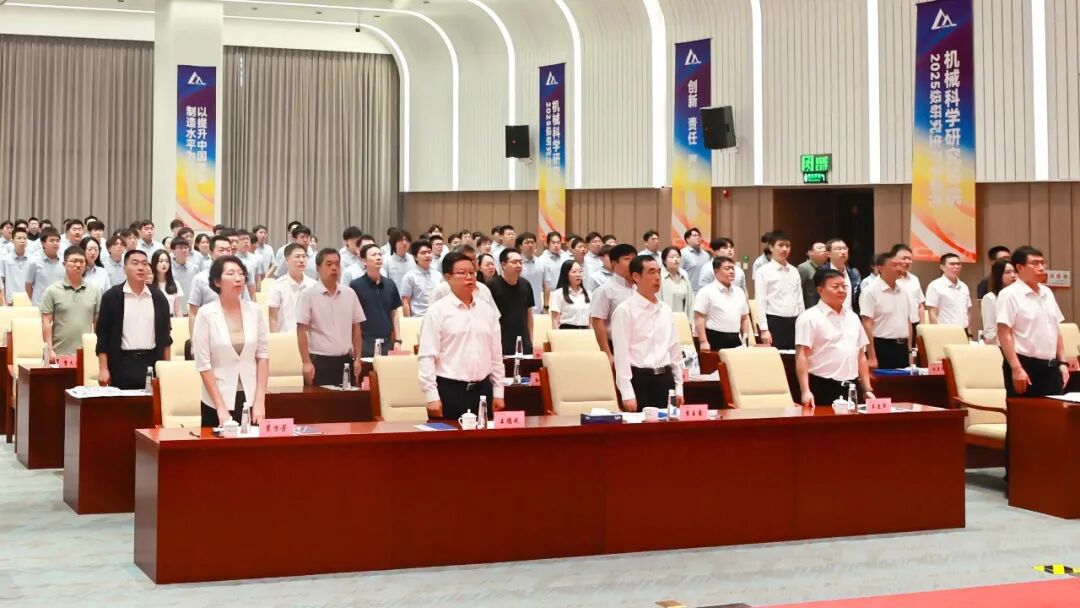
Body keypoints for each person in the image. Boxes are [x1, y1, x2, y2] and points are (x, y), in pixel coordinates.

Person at [418, 252, 506, 421]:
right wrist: (431, 395)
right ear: (448, 277)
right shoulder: (437, 311)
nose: (469, 277)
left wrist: (498, 392)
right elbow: (427, 356)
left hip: (483, 390)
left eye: (472, 273)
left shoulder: (487, 310)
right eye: (462, 273)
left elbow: (496, 355)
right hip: (450, 390)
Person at [192, 255, 270, 427]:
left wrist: (260, 401)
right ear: (217, 282)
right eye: (231, 273)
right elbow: (203, 365)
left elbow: (263, 356)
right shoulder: (206, 313)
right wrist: (220, 407)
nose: (238, 278)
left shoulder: (255, 311)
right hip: (217, 399)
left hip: (250, 397)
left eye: (241, 273)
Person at [611, 255, 685, 412]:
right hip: (640, 380)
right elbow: (621, 355)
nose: (657, 277)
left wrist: (679, 386)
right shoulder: (625, 310)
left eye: (659, 272)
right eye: (651, 272)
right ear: (636, 276)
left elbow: (674, 349)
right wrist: (627, 392)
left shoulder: (665, 310)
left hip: (665, 379)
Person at [996, 246, 1069, 397]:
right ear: (1019, 267)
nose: (1041, 268)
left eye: (1042, 263)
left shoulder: (1047, 292)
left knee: (1055, 411)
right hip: (1025, 366)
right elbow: (1004, 333)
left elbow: (1055, 329)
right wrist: (1016, 368)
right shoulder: (1009, 295)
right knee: (1026, 411)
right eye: (1035, 264)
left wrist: (1062, 363)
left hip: (1051, 367)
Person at [795, 269, 875, 407]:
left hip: (852, 387)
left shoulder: (853, 317)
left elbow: (861, 355)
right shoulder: (809, 318)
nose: (841, 290)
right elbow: (802, 355)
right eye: (835, 287)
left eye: (844, 286)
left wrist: (867, 388)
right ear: (820, 290)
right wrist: (805, 390)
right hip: (823, 386)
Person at [95, 250, 172, 389]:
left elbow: (166, 337)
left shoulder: (158, 297)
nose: (141, 267)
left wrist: (167, 369)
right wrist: (103, 368)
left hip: (152, 363)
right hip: (121, 364)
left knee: (152, 403)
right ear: (124, 269)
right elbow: (103, 337)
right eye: (135, 263)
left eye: (144, 263)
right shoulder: (111, 297)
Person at [296, 249, 365, 386]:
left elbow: (356, 327)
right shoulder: (308, 294)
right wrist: (306, 362)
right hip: (319, 362)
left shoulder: (350, 293)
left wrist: (358, 358)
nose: (334, 268)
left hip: (346, 360)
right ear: (318, 268)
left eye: (337, 264)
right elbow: (301, 330)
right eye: (329, 264)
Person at [40, 246, 100, 361]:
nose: (78, 265)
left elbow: (97, 322)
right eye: (74, 261)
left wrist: (99, 350)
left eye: (81, 261)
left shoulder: (95, 291)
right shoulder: (52, 291)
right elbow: (46, 322)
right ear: (64, 264)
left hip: (86, 354)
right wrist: (49, 350)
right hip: (59, 354)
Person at [858, 252, 912, 370]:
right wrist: (872, 356)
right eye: (894, 265)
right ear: (880, 268)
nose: (899, 268)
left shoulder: (904, 291)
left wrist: (909, 351)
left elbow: (907, 321)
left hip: (902, 348)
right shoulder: (870, 291)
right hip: (881, 347)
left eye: (900, 265)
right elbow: (867, 324)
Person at [188, 235, 249, 335]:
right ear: (211, 252)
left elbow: (246, 305)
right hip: (209, 330)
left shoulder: (239, 277)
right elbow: (193, 312)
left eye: (228, 250)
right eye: (221, 250)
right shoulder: (200, 279)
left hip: (236, 328)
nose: (225, 253)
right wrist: (194, 339)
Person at [349, 244, 402, 357]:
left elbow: (394, 313)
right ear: (364, 261)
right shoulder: (355, 285)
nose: (378, 257)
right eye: (374, 255)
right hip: (364, 341)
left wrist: (398, 340)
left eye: (380, 254)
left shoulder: (390, 284)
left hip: (387, 341)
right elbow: (351, 317)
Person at [754, 232, 804, 349]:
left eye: (788, 246)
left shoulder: (794, 271)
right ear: (771, 247)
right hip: (774, 321)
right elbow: (760, 301)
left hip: (794, 321)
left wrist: (803, 323)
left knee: (794, 356)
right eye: (781, 245)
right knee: (776, 357)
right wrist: (764, 329)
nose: (784, 249)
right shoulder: (763, 271)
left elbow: (799, 299)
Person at [590, 244, 637, 363]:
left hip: (639, 347)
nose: (633, 263)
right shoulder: (605, 290)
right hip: (616, 346)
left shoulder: (640, 288)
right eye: (627, 259)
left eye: (634, 259)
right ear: (614, 263)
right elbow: (598, 323)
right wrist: (608, 354)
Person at [694, 256, 750, 351]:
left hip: (736, 339)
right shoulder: (706, 291)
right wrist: (703, 341)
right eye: (727, 268)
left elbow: (744, 318)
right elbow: (699, 317)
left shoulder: (739, 292)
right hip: (714, 338)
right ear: (716, 271)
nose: (731, 271)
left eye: (732, 268)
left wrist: (745, 339)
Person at [488, 248, 535, 355]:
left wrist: (531, 340)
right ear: (503, 265)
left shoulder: (526, 284)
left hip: (524, 343)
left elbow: (529, 315)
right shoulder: (492, 286)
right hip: (500, 343)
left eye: (520, 262)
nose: (519, 265)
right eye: (514, 262)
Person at [267, 243, 316, 333]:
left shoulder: (314, 285)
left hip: (309, 337)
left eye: (304, 256)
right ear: (286, 260)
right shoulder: (277, 285)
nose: (301, 260)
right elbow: (273, 318)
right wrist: (275, 338)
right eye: (297, 256)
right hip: (285, 337)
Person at [926, 253, 971, 329]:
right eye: (952, 264)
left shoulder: (964, 286)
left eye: (958, 264)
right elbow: (932, 312)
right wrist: (936, 332)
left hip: (963, 331)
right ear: (942, 267)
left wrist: (969, 332)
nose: (956, 267)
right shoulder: (935, 286)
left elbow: (968, 312)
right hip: (945, 331)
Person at [400, 239, 443, 317]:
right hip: (418, 318)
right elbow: (405, 301)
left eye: (429, 252)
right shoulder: (410, 276)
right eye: (423, 253)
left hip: (436, 317)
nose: (427, 255)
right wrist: (408, 321)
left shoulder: (438, 275)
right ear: (415, 257)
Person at [980, 258, 1016, 345]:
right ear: (998, 275)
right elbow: (989, 331)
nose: (1013, 275)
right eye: (1008, 272)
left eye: (1014, 272)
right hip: (1001, 345)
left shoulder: (1018, 296)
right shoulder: (990, 298)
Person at [25, 227, 65, 306]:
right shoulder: (34, 261)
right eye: (52, 240)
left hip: (60, 305)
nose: (55, 243)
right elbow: (28, 286)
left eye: (57, 241)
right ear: (43, 243)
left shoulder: (64, 261)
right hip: (40, 305)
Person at [822, 238, 861, 312]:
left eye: (844, 248)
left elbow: (857, 299)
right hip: (827, 315)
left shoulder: (853, 273)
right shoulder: (822, 273)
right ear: (828, 254)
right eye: (838, 249)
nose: (843, 252)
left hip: (849, 315)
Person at [659, 246, 694, 328]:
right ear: (664, 260)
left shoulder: (684, 275)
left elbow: (691, 301)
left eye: (678, 257)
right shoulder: (660, 277)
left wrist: (690, 322)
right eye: (672, 257)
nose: (676, 259)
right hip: (666, 322)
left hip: (683, 321)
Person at [891, 243, 925, 327]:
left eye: (909, 259)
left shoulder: (914, 279)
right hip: (895, 326)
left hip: (914, 324)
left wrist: (922, 326)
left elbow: (920, 305)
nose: (907, 262)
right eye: (904, 258)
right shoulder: (889, 279)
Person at [550, 260, 590, 330]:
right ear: (566, 274)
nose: (578, 275)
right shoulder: (558, 294)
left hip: (585, 332)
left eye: (580, 271)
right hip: (566, 332)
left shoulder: (588, 294)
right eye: (574, 272)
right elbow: (555, 320)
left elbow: (591, 321)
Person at [0, 227, 30, 304]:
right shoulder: (5, 259)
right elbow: (1, 281)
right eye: (19, 238)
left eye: (25, 238)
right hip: (10, 301)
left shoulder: (33, 259)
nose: (22, 241)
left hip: (29, 300)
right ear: (12, 241)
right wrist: (3, 302)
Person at [149, 249, 183, 317]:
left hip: (170, 319)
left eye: (167, 261)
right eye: (161, 261)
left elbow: (178, 310)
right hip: (152, 319)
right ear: (154, 263)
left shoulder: (175, 284)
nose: (164, 264)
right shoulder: (149, 284)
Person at [540, 231, 570, 306]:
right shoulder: (542, 259)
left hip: (565, 294)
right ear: (547, 244)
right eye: (553, 243)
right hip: (550, 295)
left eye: (558, 242)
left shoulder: (566, 257)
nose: (556, 245)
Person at [169, 237, 197, 314]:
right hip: (173, 311)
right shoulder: (168, 268)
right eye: (180, 248)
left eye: (186, 247)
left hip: (191, 310)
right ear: (173, 250)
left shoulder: (194, 268)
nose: (184, 250)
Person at [679, 227, 711, 292]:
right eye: (694, 235)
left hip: (704, 291)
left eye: (699, 236)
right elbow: (678, 273)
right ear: (687, 239)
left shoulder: (706, 255)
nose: (698, 237)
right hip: (688, 291)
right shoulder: (682, 254)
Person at [797, 241, 828, 307]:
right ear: (811, 253)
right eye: (820, 248)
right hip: (809, 307)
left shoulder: (827, 268)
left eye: (825, 248)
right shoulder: (804, 268)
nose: (824, 250)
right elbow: (798, 290)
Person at [234, 229, 261, 297]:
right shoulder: (233, 258)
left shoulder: (255, 258)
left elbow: (257, 277)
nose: (246, 241)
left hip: (251, 293)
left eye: (247, 239)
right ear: (236, 242)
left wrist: (257, 294)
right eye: (242, 239)